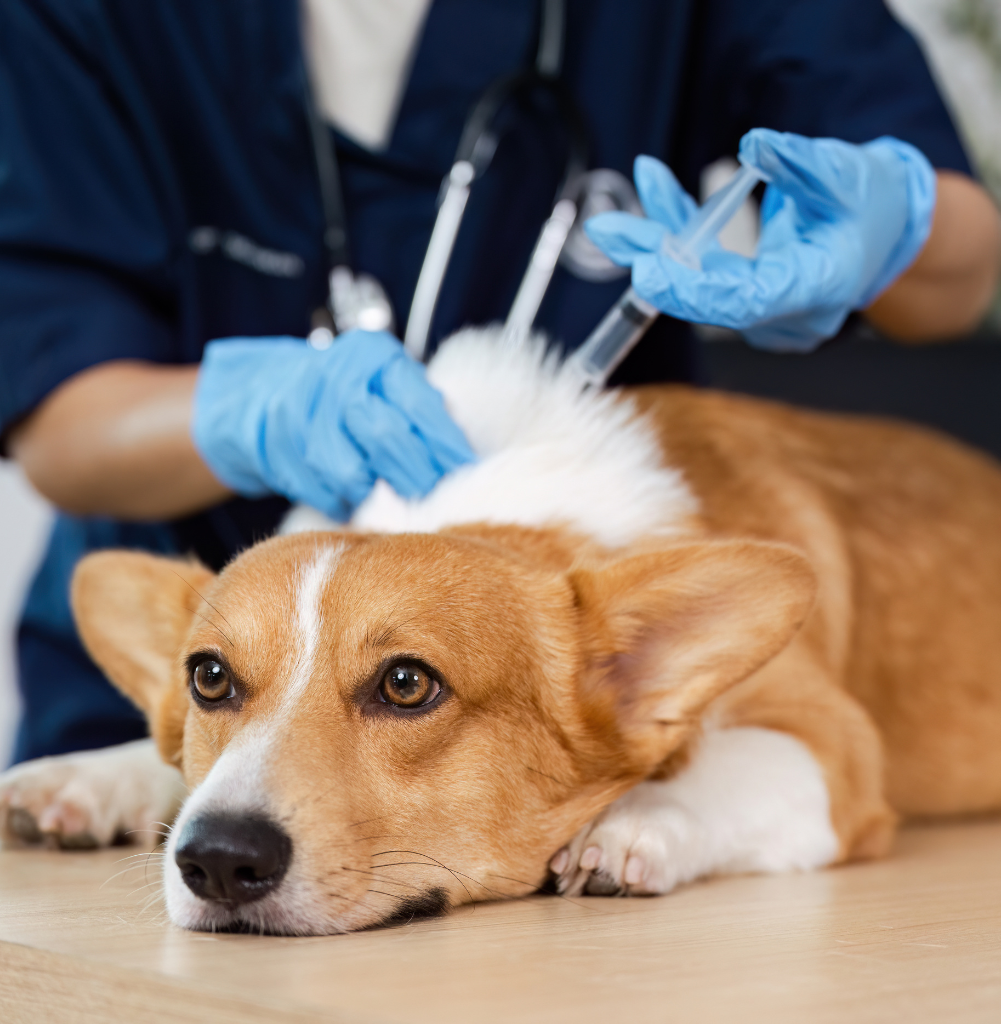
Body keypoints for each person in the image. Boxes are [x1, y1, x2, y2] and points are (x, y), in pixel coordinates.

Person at [1, 0, 998, 765]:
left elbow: (957, 269)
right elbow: (60, 408)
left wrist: (886, 226)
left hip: (541, 716)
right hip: (165, 708)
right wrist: (252, 415)